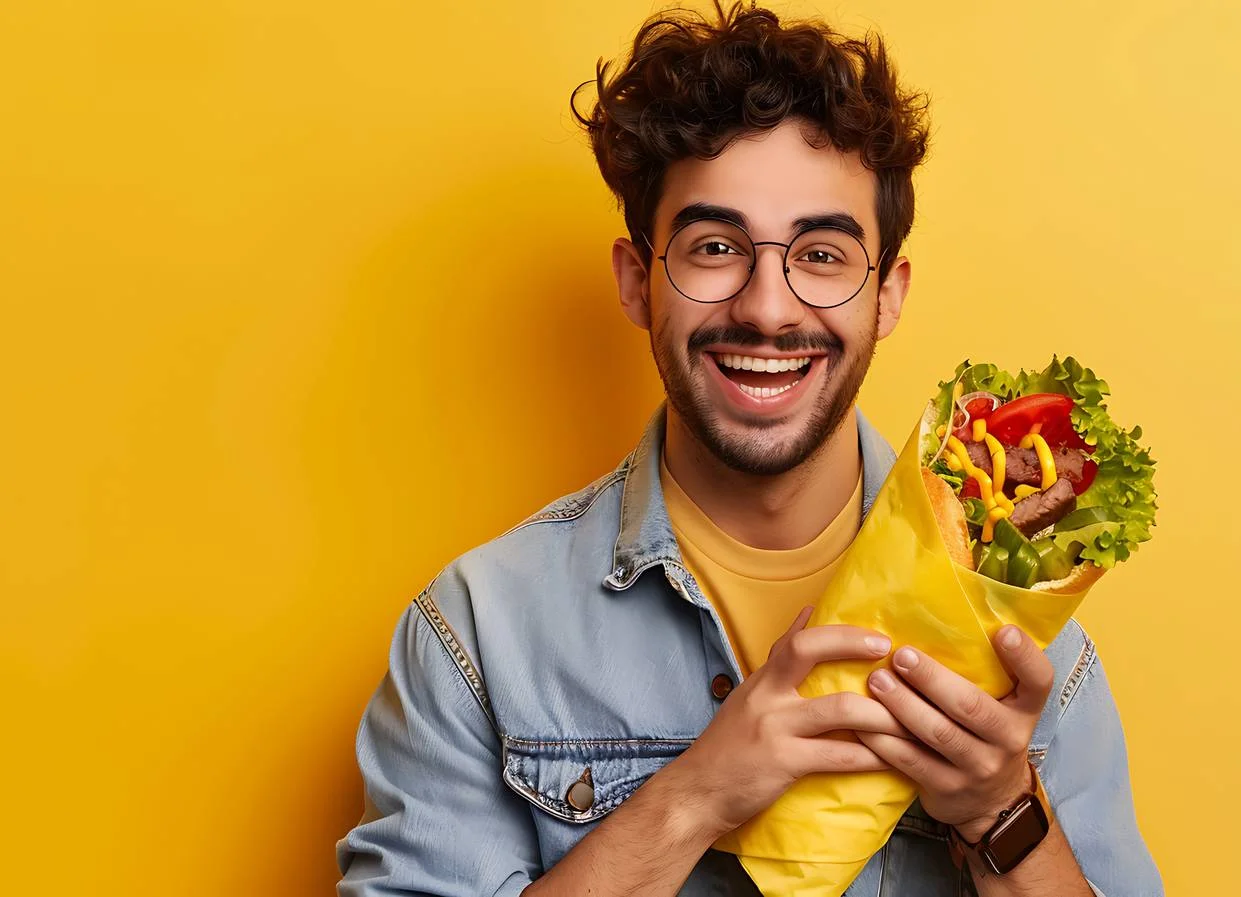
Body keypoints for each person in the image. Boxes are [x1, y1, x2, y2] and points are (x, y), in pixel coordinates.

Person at [335, 3, 1162, 895]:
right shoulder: (476, 635)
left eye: (823, 254)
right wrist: (693, 797)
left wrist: (1003, 811)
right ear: (635, 280)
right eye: (716, 246)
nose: (768, 308)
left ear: (888, 295)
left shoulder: (1030, 648)